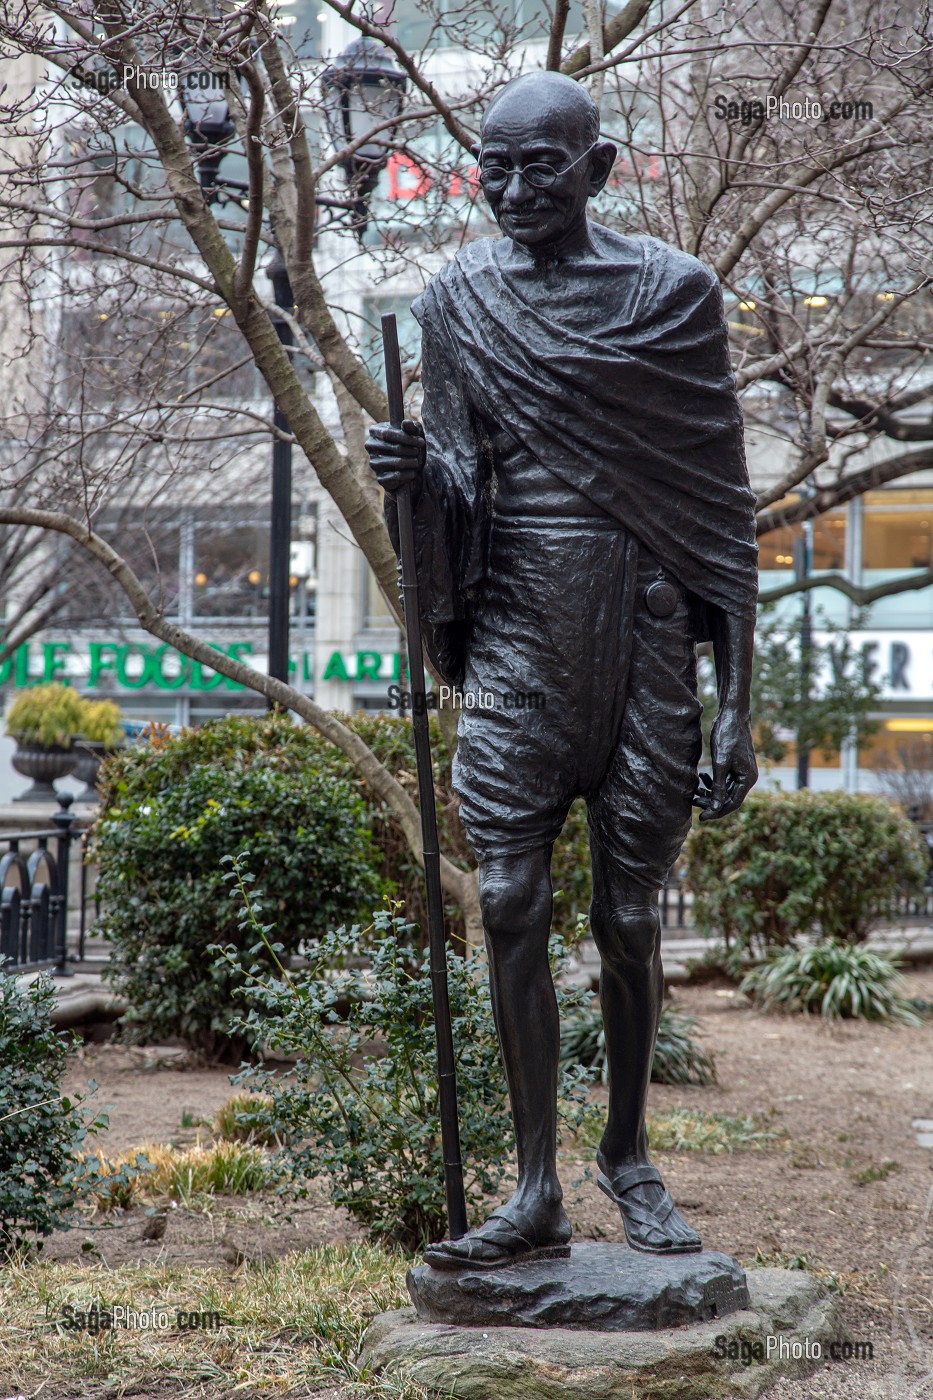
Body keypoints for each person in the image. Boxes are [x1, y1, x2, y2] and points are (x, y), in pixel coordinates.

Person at [366, 71, 758, 1267]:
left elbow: (719, 514)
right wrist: (410, 476)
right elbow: (461, 484)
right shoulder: (457, 298)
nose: (514, 188)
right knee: (507, 901)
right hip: (523, 633)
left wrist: (738, 703)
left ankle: (628, 1156)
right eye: (494, 165)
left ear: (597, 169)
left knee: (630, 918)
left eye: (542, 165)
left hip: (642, 637)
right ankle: (533, 1182)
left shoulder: (673, 295)